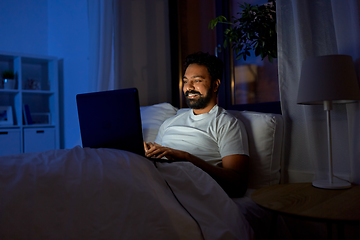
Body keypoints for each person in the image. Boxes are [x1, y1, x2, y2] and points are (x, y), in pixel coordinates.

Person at [143, 52, 249, 198]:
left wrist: (187, 158)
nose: (189, 87)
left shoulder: (227, 124)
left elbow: (238, 185)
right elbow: (156, 160)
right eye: (186, 81)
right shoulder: (170, 122)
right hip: (156, 181)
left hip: (186, 189)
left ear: (215, 85)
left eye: (197, 80)